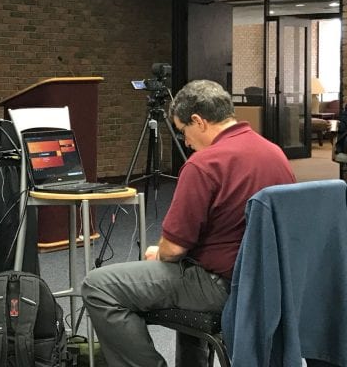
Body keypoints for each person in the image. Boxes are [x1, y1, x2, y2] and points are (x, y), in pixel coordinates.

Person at [81, 79, 295, 367]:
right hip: (270, 282)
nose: (186, 142)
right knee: (185, 269)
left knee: (99, 285)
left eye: (183, 131)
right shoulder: (274, 153)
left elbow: (174, 249)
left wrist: (158, 253)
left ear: (199, 121)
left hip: (221, 286)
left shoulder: (204, 164)